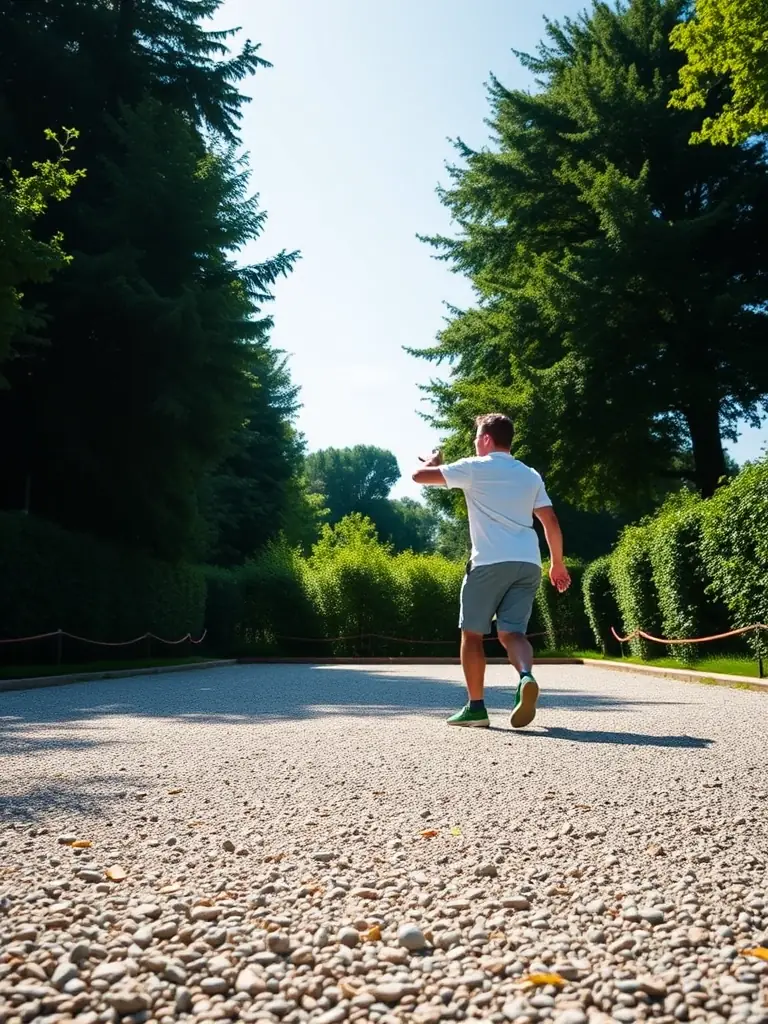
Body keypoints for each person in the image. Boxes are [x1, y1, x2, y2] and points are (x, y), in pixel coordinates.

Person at [412, 413, 570, 729]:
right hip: (527, 563)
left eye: (476, 438)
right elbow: (550, 522)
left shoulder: (474, 467)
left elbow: (419, 477)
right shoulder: (530, 475)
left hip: (488, 563)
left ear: (486, 439)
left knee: (472, 635)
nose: (475, 443)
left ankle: (476, 708)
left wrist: (432, 461)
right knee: (513, 633)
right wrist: (557, 564)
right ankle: (526, 676)